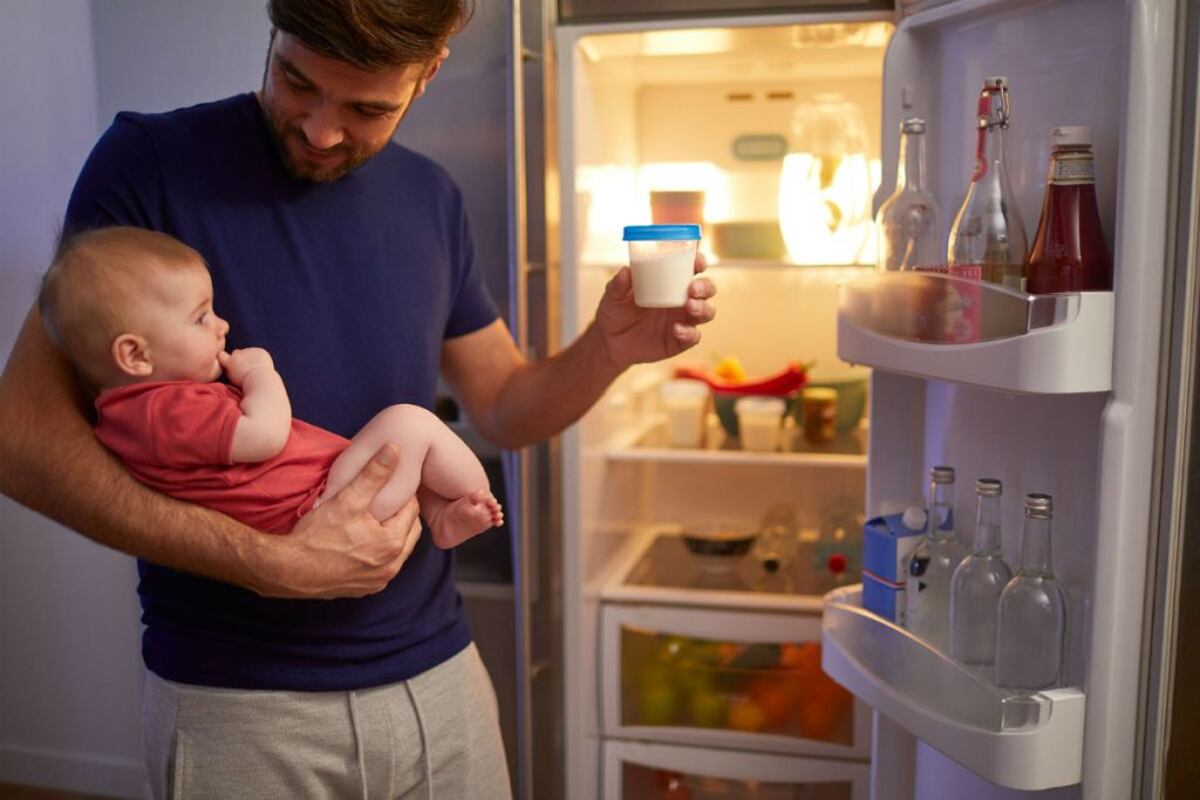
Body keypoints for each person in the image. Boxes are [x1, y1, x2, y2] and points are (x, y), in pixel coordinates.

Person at [0, 0, 716, 797]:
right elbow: (21, 440)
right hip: (239, 705)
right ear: (271, 30)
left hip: (439, 682)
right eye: (294, 80)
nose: (319, 130)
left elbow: (507, 407)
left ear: (429, 71)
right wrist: (270, 564)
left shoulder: (432, 197)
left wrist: (607, 349)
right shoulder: (148, 164)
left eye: (366, 108)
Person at [40, 226, 505, 547]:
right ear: (135, 356)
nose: (222, 326)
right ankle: (468, 496)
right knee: (410, 422)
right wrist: (261, 374)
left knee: (406, 457)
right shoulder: (165, 411)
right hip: (316, 508)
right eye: (200, 317)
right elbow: (266, 436)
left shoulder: (127, 416)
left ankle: (441, 517)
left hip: (317, 499)